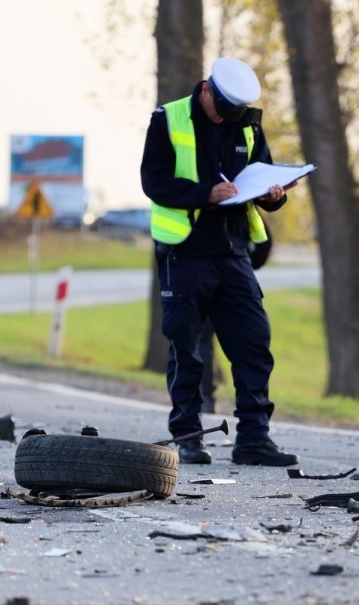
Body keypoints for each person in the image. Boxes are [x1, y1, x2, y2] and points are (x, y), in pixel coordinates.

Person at [141, 56, 298, 467]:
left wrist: (273, 195)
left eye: (235, 114)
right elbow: (153, 182)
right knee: (188, 349)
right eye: (223, 111)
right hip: (186, 251)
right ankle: (189, 436)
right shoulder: (168, 119)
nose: (228, 119)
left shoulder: (246, 122)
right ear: (206, 89)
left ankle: (253, 439)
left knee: (254, 344)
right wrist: (204, 193)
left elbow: (260, 175)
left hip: (234, 251)